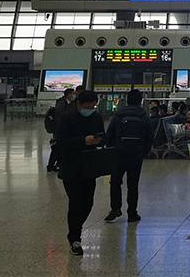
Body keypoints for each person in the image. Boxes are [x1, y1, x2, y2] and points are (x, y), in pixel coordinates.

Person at [56, 90, 105, 256]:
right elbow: (61, 142)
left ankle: (76, 228)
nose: (90, 109)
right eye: (87, 106)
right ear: (79, 104)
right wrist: (83, 140)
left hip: (89, 167)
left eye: (93, 106)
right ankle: (75, 238)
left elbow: (101, 134)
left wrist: (99, 139)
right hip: (71, 167)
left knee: (88, 203)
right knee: (76, 203)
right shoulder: (66, 118)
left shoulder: (96, 117)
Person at [104, 89, 152, 223]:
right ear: (140, 101)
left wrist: (111, 150)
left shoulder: (118, 115)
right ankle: (132, 213)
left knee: (115, 182)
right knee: (133, 184)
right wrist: (144, 153)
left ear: (127, 100)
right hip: (136, 155)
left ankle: (115, 209)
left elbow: (110, 134)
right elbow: (150, 137)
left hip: (118, 154)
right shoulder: (144, 116)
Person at [47, 88, 76, 172]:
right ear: (68, 94)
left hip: (62, 129)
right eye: (72, 94)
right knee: (57, 148)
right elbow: (60, 117)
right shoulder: (61, 103)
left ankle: (56, 165)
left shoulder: (68, 103)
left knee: (59, 148)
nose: (74, 95)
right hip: (59, 129)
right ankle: (51, 165)